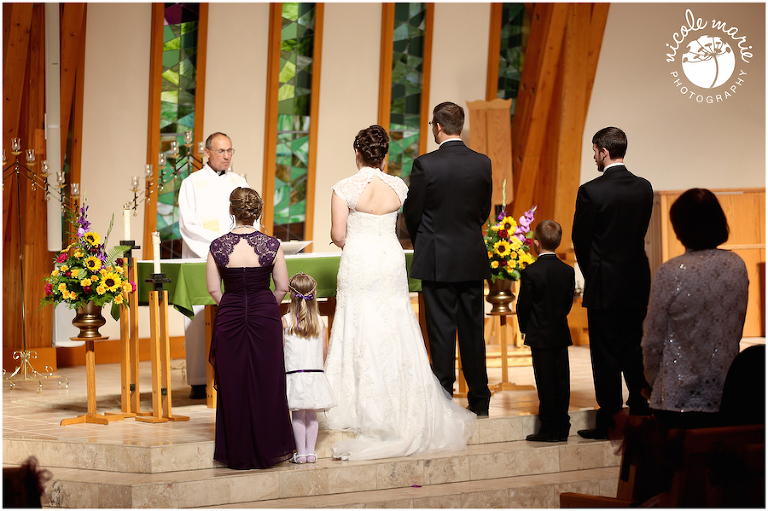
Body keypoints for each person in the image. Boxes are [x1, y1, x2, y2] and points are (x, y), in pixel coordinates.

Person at [323, 125, 476, 461]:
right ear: (385, 155)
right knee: (394, 321)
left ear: (358, 153)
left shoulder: (343, 188)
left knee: (358, 321)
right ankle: (402, 395)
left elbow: (337, 234)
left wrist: (358, 242)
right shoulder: (398, 186)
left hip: (360, 259)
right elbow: (411, 225)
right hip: (390, 259)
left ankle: (353, 401)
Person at [403, 101, 493, 417]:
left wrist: (424, 239)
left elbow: (412, 213)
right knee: (473, 331)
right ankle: (480, 400)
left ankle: (444, 398)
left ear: (437, 127)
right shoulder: (482, 163)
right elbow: (484, 211)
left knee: (441, 333)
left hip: (437, 259)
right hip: (470, 258)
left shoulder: (425, 165)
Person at [641, 188, 749, 430]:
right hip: (728, 394)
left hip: (676, 402)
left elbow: (653, 340)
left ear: (680, 227)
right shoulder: (737, 265)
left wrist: (651, 381)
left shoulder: (671, 271)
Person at [572, 126, 653, 439]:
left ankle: (610, 421)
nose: (594, 157)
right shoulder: (644, 187)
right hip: (636, 280)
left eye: (594, 151)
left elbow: (581, 239)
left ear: (603, 151)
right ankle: (642, 409)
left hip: (604, 282)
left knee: (605, 353)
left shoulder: (591, 190)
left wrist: (593, 271)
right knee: (635, 345)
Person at [206, 187, 294, 469]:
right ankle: (269, 447)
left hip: (230, 316)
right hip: (264, 316)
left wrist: (233, 304)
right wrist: (263, 304)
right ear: (257, 212)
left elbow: (213, 290)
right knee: (267, 381)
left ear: (232, 211)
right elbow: (282, 287)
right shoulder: (272, 245)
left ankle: (237, 450)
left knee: (233, 382)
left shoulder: (218, 246)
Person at [179, 132, 249, 399]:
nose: (227, 156)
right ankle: (199, 379)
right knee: (199, 318)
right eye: (221, 151)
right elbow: (188, 225)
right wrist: (221, 247)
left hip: (237, 258)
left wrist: (237, 246)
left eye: (230, 150)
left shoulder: (239, 182)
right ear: (206, 153)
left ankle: (235, 374)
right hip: (203, 255)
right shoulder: (191, 183)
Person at [517, 220, 575, 442]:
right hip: (559, 331)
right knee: (562, 380)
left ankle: (549, 428)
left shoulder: (531, 272)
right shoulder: (567, 271)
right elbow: (568, 303)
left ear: (536, 243)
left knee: (545, 381)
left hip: (539, 334)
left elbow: (524, 305)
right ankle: (563, 424)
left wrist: (525, 328)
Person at [283, 272, 336, 464]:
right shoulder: (320, 323)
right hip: (314, 375)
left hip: (295, 374)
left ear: (290, 294)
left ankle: (301, 453)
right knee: (312, 415)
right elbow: (323, 352)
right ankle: (311, 452)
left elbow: (281, 349)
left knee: (297, 415)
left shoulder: (285, 321)